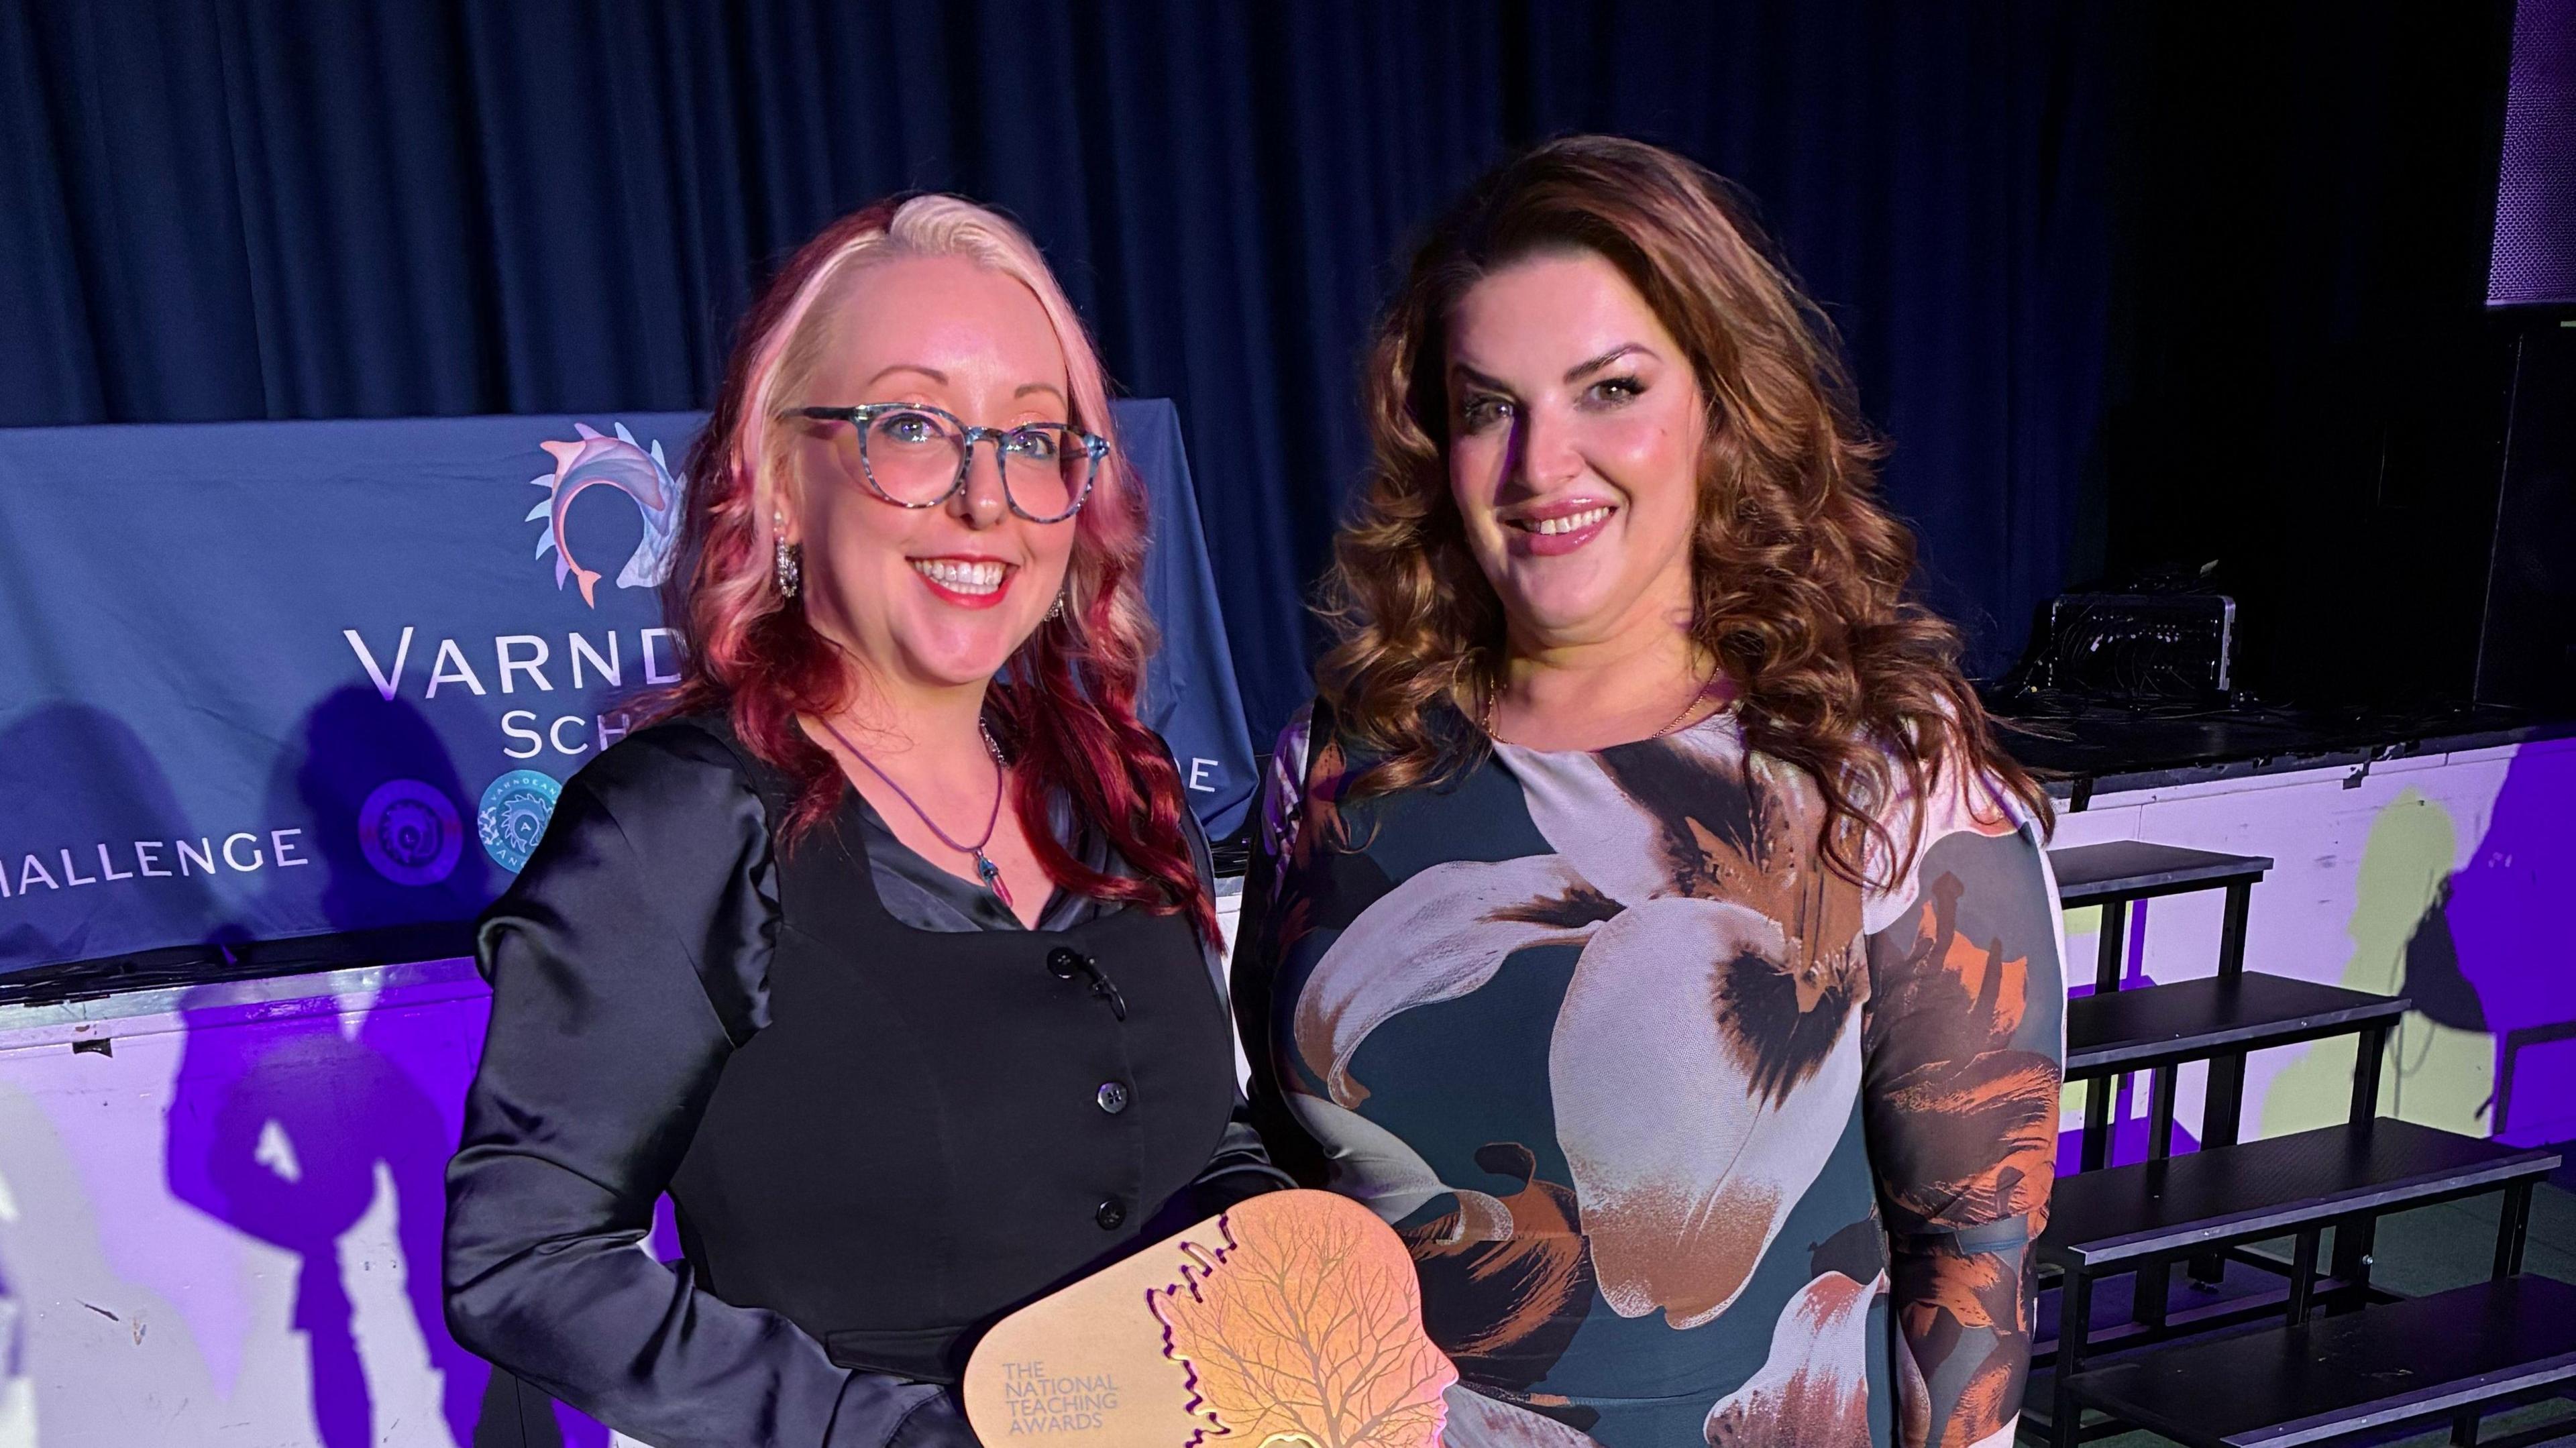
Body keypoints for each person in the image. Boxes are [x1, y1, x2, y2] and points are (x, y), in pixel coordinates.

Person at [1234, 135, 2067, 1448]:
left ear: (1720, 409)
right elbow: (1295, 1160)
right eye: (1488, 405)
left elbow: (1974, 1249)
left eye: (1608, 388)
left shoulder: (1882, 769)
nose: (1540, 464)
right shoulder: (1338, 760)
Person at [444, 194, 1285, 1448]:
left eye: (1035, 439)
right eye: (910, 428)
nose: (984, 498)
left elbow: (1194, 1147)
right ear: (779, 482)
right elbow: (527, 1258)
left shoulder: (1117, 780)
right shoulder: (679, 823)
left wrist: (1306, 1284)